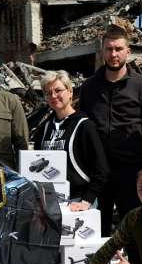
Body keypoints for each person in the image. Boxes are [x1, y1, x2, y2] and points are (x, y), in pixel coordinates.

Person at [78, 24, 142, 240]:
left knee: (133, 229)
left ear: (128, 51)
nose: (114, 54)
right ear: (102, 51)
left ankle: (133, 263)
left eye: (119, 49)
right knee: (96, 231)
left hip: (130, 171)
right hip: (97, 173)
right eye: (109, 49)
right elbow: (81, 129)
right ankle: (99, 263)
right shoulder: (89, 87)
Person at [32, 70, 109, 211]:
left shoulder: (84, 125)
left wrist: (87, 201)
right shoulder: (45, 128)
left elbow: (101, 170)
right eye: (48, 93)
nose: (53, 96)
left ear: (70, 92)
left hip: (78, 201)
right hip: (49, 201)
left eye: (58, 90)